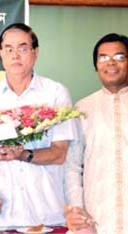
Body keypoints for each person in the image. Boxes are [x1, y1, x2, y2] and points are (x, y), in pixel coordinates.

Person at [0, 23, 77, 230]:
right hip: (3, 219)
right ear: (1, 54)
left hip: (47, 218)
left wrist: (22, 154)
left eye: (23, 48)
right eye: (9, 49)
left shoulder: (55, 94)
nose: (15, 55)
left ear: (35, 52)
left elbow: (59, 154)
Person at [64, 33, 128, 234]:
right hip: (97, 217)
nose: (110, 63)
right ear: (95, 65)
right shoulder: (83, 108)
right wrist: (77, 208)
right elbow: (72, 165)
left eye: (119, 57)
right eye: (102, 58)